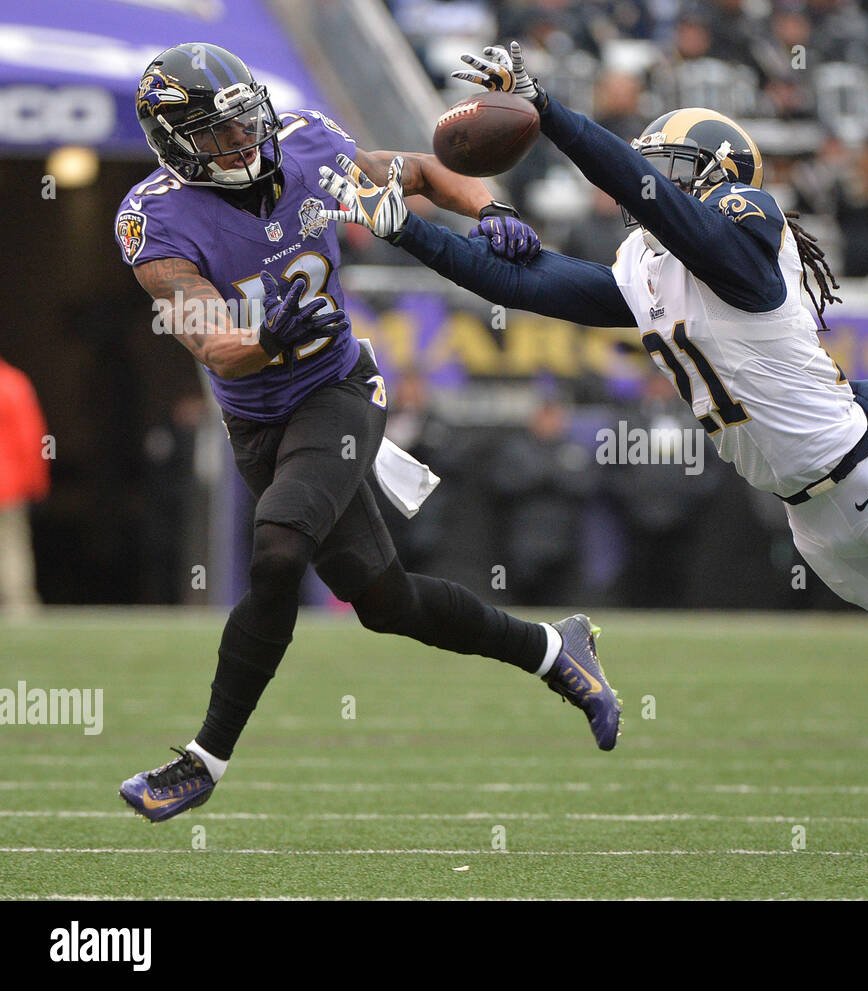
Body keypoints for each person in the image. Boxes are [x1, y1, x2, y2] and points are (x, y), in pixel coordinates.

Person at [317, 41, 868, 852]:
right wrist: (408, 229)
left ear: (714, 176)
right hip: (808, 513)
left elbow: (644, 192)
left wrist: (549, 110)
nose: (650, 184)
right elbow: (538, 283)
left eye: (673, 169)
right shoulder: (648, 270)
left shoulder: (748, 231)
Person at [115, 43, 621, 824]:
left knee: (278, 547)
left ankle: (204, 757)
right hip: (258, 417)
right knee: (387, 602)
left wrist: (491, 209)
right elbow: (214, 343)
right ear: (175, 145)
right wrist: (267, 340)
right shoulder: (152, 219)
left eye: (247, 122)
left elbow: (421, 172)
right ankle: (557, 651)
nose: (245, 143)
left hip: (340, 389)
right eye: (220, 135)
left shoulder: (311, 143)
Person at [0, 355, 49, 616]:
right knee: (11, 547)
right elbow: (31, 439)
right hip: (8, 485)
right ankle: (18, 609)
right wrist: (37, 484)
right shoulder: (13, 384)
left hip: (7, 485)